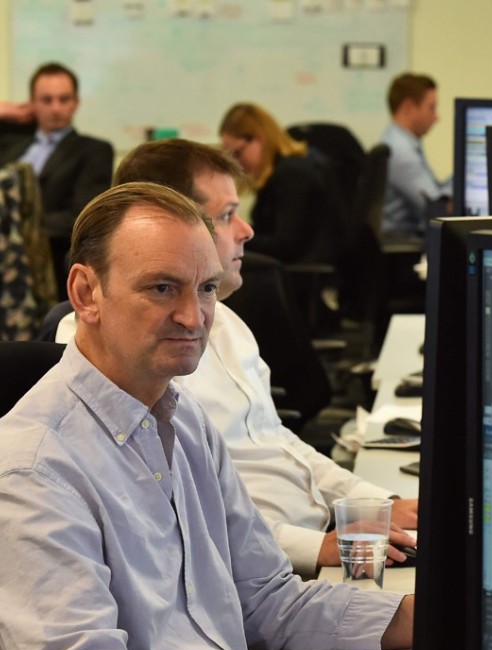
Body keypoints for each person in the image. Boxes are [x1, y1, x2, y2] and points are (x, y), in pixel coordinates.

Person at [0, 181, 413, 650]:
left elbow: (267, 601)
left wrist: (443, 618)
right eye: (162, 288)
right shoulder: (35, 469)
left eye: (207, 288)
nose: (194, 316)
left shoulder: (185, 419)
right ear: (86, 294)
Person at [54, 138, 418, 577]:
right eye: (226, 215)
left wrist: (376, 503)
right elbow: (174, 518)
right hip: (252, 570)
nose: (246, 231)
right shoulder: (122, 354)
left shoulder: (226, 322)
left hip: (313, 543)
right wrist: (314, 547)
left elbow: (279, 441)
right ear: (173, 224)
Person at [0, 62, 114, 296]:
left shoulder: (93, 150)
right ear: (32, 103)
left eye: (64, 99)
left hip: (41, 256)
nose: (56, 108)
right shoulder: (10, 143)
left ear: (76, 103)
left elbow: (81, 214)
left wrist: (18, 230)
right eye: (46, 100)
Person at [218, 102, 347, 265]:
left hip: (302, 273)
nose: (237, 162)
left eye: (238, 153)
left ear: (259, 139)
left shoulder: (292, 176)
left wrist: (232, 237)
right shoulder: (288, 169)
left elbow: (284, 246)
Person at [380, 72, 451, 237]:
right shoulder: (400, 151)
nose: (436, 118)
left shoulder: (400, 141)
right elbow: (436, 208)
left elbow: (435, 191)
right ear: (409, 107)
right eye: (431, 108)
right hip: (403, 244)